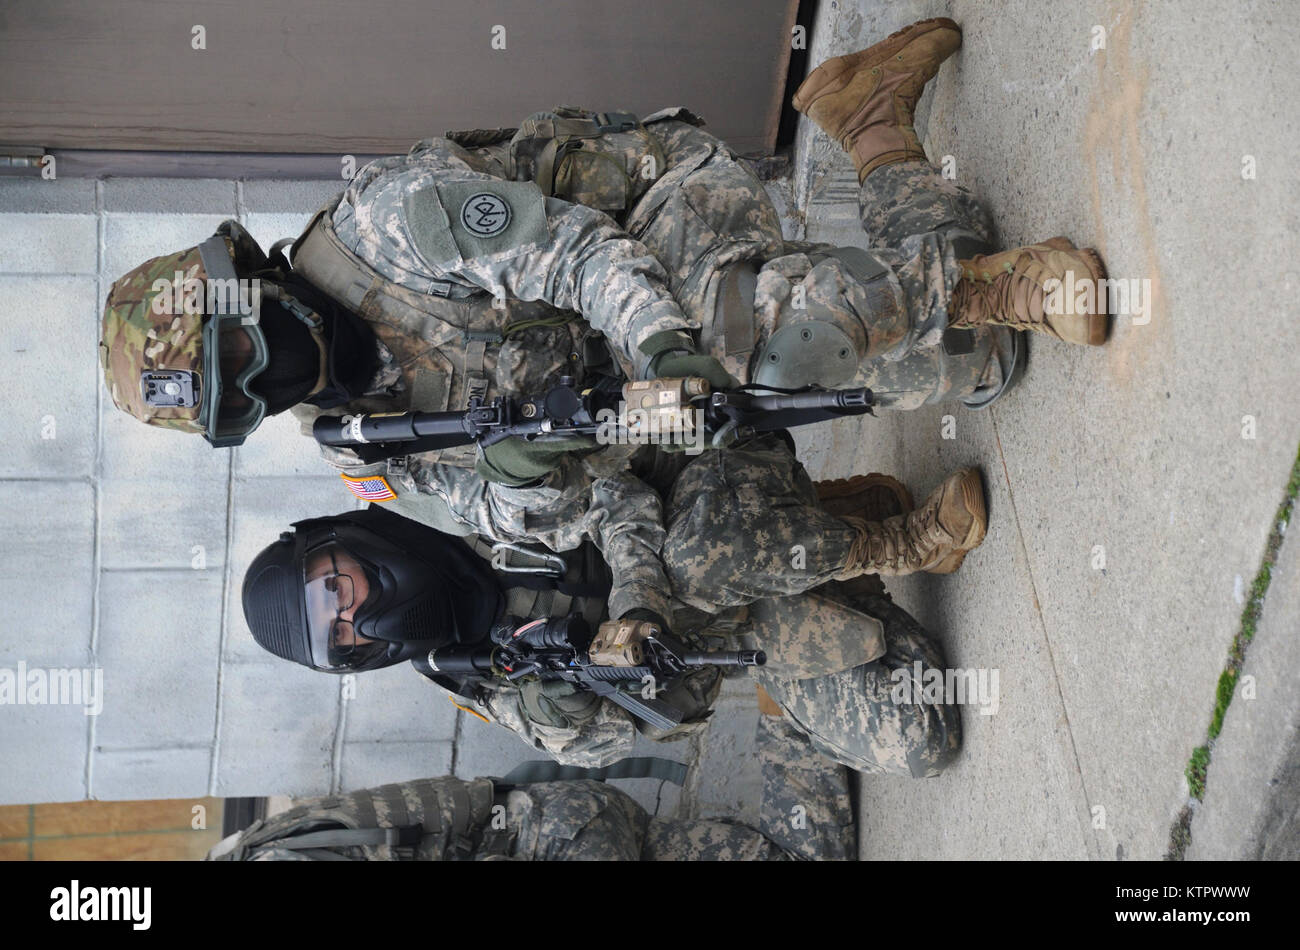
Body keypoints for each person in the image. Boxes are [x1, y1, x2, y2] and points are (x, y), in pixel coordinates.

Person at [241, 504, 960, 777]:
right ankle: (839, 530)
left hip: (702, 525)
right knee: (919, 738)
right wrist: (565, 699)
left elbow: (619, 491)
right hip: (733, 638)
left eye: (332, 590)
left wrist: (636, 604)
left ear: (336, 546)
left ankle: (878, 537)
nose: (357, 618)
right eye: (339, 636)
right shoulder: (461, 670)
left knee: (715, 548)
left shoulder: (447, 499)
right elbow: (608, 743)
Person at [207, 714, 855, 862]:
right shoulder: (247, 850)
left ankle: (805, 710)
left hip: (558, 841)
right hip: (555, 816)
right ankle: (795, 709)